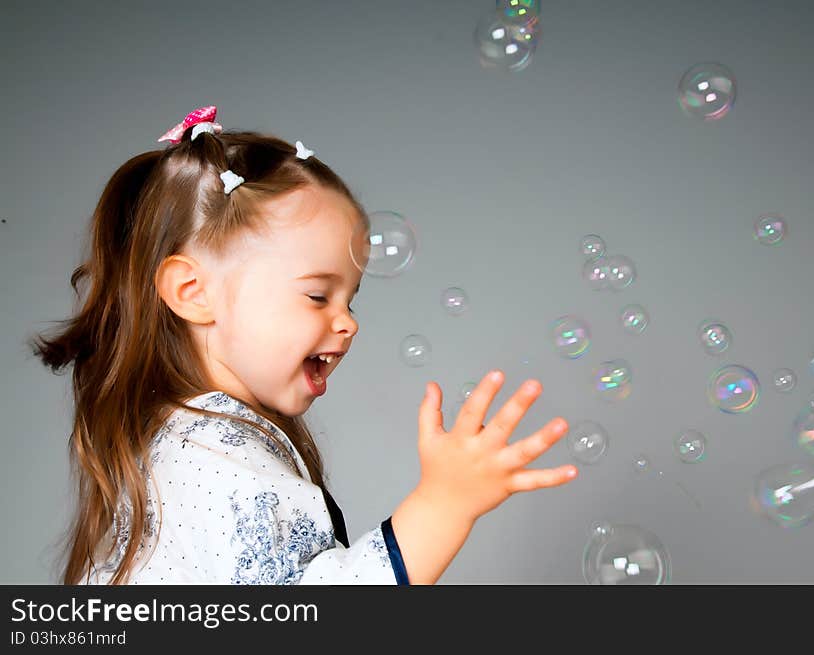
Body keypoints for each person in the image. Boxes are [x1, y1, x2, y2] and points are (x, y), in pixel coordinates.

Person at [30, 105, 578, 585]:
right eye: (318, 296)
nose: (348, 324)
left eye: (351, 300)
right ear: (193, 293)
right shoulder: (214, 453)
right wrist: (444, 504)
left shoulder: (183, 440)